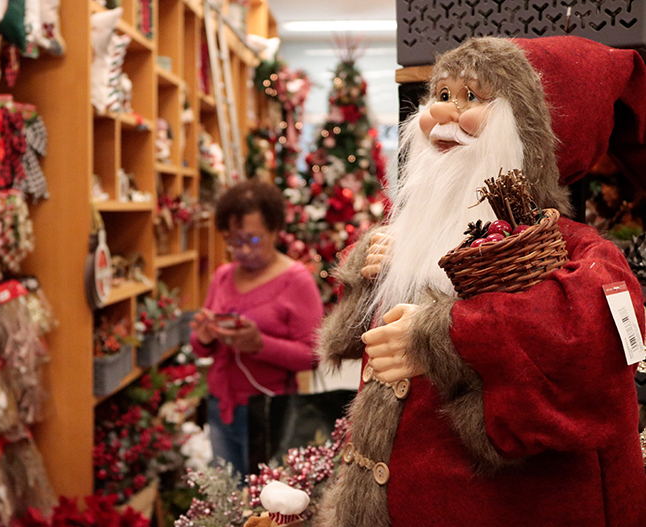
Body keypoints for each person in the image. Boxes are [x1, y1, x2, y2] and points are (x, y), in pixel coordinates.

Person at [314, 37, 646, 527]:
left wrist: (444, 336)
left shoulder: (568, 248)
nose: (445, 113)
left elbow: (588, 331)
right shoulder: (415, 235)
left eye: (473, 97)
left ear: (531, 133)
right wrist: (371, 270)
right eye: (442, 94)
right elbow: (349, 338)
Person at [190, 180, 323, 478]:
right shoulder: (223, 276)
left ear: (275, 230)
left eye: (251, 240)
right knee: (228, 501)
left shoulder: (296, 281)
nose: (241, 251)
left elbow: (314, 355)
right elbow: (199, 347)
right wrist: (205, 336)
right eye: (232, 241)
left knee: (265, 506)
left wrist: (259, 344)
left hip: (270, 413)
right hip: (221, 406)